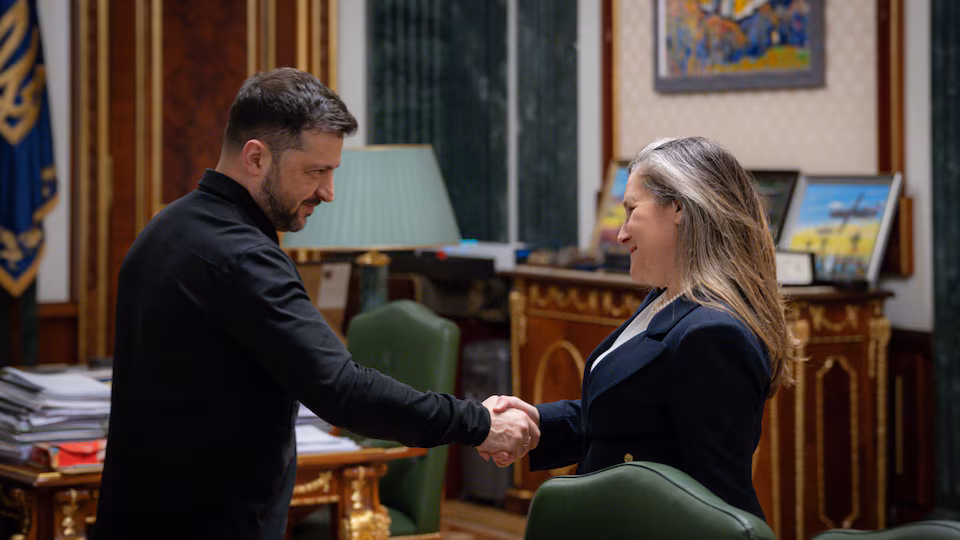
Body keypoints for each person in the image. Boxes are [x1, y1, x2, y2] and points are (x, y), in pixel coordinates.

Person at [94, 68, 538, 540]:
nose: (328, 192)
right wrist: (477, 423)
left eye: (332, 172)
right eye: (315, 172)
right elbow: (341, 391)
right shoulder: (244, 256)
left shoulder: (163, 229)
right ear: (256, 157)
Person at [485, 136, 796, 520]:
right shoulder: (665, 299)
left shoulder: (713, 333)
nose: (621, 233)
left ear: (679, 207)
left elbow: (715, 498)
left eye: (631, 209)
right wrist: (535, 422)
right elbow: (626, 418)